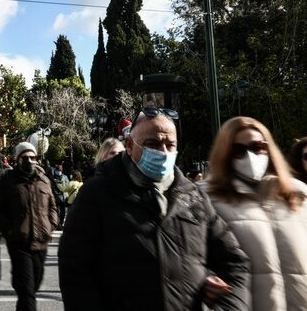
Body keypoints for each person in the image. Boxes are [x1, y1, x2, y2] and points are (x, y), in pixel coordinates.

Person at [58, 108, 250, 310]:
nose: (163, 152)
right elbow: (75, 272)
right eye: (153, 144)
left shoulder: (194, 197)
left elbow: (234, 262)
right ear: (130, 146)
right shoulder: (97, 194)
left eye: (170, 144)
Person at [207, 117, 307, 310]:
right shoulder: (207, 200)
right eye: (238, 150)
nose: (250, 155)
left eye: (257, 147)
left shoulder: (302, 197)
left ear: (268, 148)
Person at [0, 142, 59, 311]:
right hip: (19, 243)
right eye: (25, 157)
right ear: (17, 159)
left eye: (33, 157)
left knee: (32, 287)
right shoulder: (8, 181)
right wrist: (9, 230)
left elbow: (52, 206)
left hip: (41, 241)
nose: (29, 161)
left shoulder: (44, 179)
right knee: (27, 291)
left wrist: (50, 225)